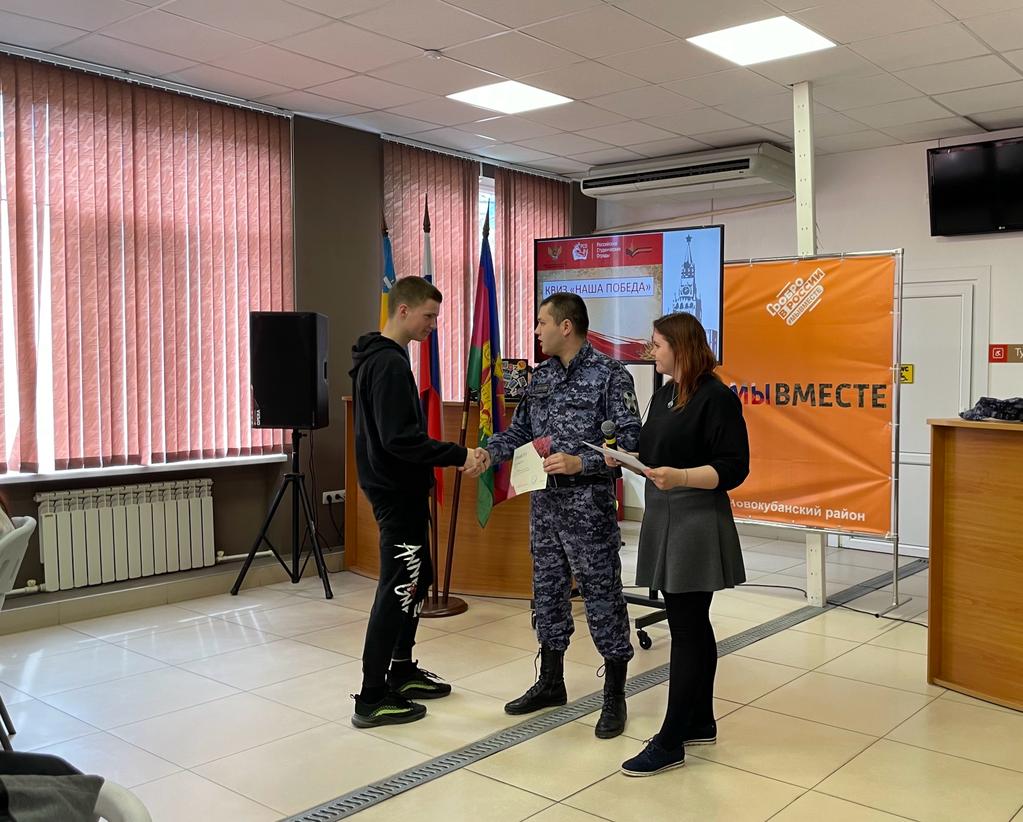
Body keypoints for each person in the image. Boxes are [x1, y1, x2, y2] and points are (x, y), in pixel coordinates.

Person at [480, 292, 641, 739]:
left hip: (588, 509)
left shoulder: (611, 375)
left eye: (542, 322)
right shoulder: (542, 377)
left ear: (566, 326)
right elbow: (519, 431)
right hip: (545, 509)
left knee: (603, 599)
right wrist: (488, 454)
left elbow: (630, 444)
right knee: (548, 596)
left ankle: (615, 695)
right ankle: (551, 682)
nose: (536, 331)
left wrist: (580, 463)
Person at [609, 312, 749, 777]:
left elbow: (733, 467)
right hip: (664, 513)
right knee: (692, 624)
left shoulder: (716, 397)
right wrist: (623, 458)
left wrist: (682, 477)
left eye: (657, 344)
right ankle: (700, 720)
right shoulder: (665, 393)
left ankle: (670, 741)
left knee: (687, 628)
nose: (651, 351)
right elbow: (655, 453)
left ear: (681, 347)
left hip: (695, 520)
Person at [349, 275, 486, 728]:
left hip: (401, 488)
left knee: (417, 577)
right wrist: (459, 455)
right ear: (403, 310)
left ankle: (402, 670)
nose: (433, 324)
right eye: (429, 316)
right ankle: (372, 696)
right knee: (399, 588)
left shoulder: (385, 357)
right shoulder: (388, 364)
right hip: (395, 492)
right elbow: (400, 440)